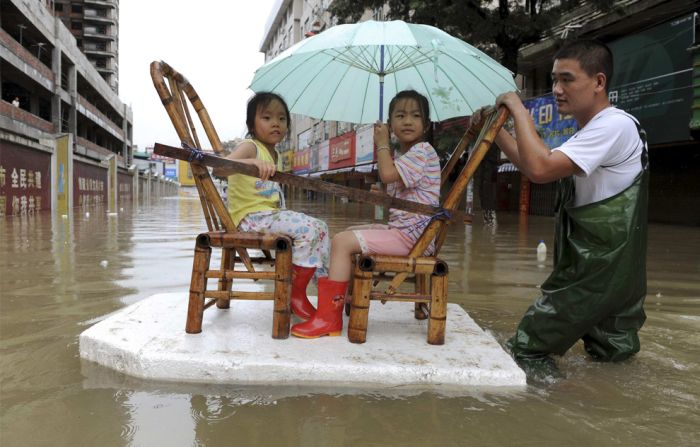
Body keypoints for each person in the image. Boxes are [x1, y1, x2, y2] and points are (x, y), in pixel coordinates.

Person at [488, 40, 649, 375]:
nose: (557, 90)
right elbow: (536, 165)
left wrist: (518, 109)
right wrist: (497, 132)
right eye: (553, 80)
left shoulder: (613, 125)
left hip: (594, 272)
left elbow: (541, 168)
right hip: (612, 270)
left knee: (525, 351)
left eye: (567, 79)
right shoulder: (592, 131)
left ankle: (551, 409)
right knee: (612, 360)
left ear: (599, 82)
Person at [291, 90, 441, 338]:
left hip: (413, 238)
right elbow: (396, 191)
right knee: (347, 234)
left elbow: (388, 175)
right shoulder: (406, 155)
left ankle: (329, 318)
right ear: (391, 123)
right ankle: (342, 299)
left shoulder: (422, 150)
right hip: (407, 233)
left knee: (340, 242)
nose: (407, 121)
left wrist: (382, 143)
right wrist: (382, 193)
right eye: (400, 115)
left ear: (425, 126)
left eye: (415, 116)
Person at [212, 92, 330, 320]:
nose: (276, 123)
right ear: (252, 125)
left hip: (267, 216)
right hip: (249, 218)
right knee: (311, 229)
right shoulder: (250, 146)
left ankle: (326, 289)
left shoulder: (273, 154)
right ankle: (295, 293)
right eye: (267, 118)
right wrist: (251, 162)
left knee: (321, 226)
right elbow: (219, 168)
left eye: (282, 119)